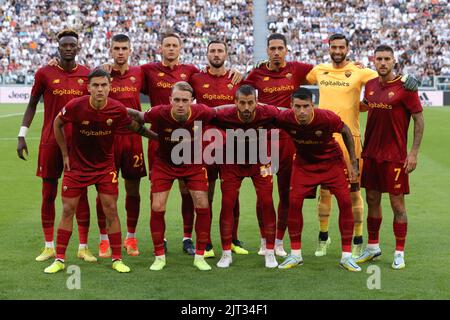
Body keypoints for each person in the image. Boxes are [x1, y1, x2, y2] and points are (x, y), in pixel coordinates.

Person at [306, 33, 421, 258]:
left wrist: (409, 76)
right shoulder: (320, 71)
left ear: (348, 49)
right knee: (327, 191)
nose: (337, 51)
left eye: (341, 47)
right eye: (334, 47)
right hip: (327, 140)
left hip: (353, 141)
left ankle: (362, 241)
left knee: (355, 191)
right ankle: (324, 237)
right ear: (328, 48)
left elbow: (390, 77)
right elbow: (300, 76)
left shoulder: (361, 72)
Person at [44, 68, 156, 274]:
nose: (99, 89)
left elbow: (135, 128)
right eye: (95, 85)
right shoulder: (75, 106)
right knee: (68, 209)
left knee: (111, 209)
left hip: (105, 167)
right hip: (77, 166)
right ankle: (59, 259)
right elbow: (57, 123)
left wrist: (158, 138)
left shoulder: (117, 109)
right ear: (88, 88)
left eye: (104, 85)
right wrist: (65, 155)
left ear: (109, 87)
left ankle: (116, 259)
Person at [140, 33, 241, 256]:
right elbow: (125, 73)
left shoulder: (191, 72)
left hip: (195, 141)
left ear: (181, 48)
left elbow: (221, 78)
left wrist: (240, 72)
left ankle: (190, 238)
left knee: (192, 191)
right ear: (160, 48)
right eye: (167, 45)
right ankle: (162, 240)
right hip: (160, 138)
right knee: (157, 194)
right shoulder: (147, 70)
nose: (171, 48)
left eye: (175, 45)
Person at [17, 29, 95, 263]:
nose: (68, 48)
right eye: (64, 45)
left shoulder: (87, 74)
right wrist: (22, 134)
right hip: (50, 141)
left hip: (78, 144)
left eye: (72, 45)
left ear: (78, 47)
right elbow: (32, 105)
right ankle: (49, 246)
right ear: (58, 47)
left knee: (81, 195)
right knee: (48, 194)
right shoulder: (44, 73)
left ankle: (83, 247)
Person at [128, 81, 215, 271]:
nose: (181, 104)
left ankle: (200, 256)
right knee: (157, 206)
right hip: (164, 164)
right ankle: (159, 256)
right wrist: (116, 108)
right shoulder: (159, 112)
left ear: (192, 101)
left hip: (193, 163)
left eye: (185, 100)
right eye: (177, 100)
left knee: (202, 204)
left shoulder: (203, 111)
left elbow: (222, 113)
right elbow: (138, 117)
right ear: (170, 100)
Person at [275, 87, 362, 272]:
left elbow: (346, 131)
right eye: (297, 107)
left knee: (346, 202)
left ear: (312, 105)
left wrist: (352, 162)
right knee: (294, 202)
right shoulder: (285, 118)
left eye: (306, 106)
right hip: (304, 164)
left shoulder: (326, 117)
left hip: (332, 162)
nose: (302, 112)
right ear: (291, 106)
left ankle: (346, 256)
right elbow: (265, 117)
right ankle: (296, 254)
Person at [244, 33, 313, 257]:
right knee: (264, 193)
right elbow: (238, 91)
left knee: (286, 192)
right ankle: (264, 241)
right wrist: (238, 74)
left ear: (286, 50)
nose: (275, 52)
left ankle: (279, 241)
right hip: (264, 141)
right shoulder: (257, 73)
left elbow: (326, 72)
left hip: (288, 142)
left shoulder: (298, 69)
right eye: (272, 48)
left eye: (279, 48)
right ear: (267, 50)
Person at [356, 45, 424, 270]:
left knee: (397, 204)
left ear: (394, 61)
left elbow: (419, 121)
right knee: (372, 200)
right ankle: (373, 247)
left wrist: (413, 153)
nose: (382, 63)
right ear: (373, 61)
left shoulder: (406, 88)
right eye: (379, 59)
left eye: (386, 59)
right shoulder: (371, 85)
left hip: (394, 157)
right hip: (371, 155)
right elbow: (365, 106)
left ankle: (399, 252)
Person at [189, 39, 248, 257]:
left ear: (226, 54)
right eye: (212, 51)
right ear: (207, 54)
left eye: (220, 51)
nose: (216, 54)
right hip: (205, 145)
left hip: (233, 144)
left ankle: (233, 239)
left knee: (233, 195)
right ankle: (205, 242)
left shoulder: (237, 80)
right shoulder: (196, 79)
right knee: (207, 195)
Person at [213, 85, 278, 268]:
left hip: (261, 161)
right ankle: (226, 253)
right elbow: (203, 115)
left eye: (251, 103)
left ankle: (269, 251)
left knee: (266, 201)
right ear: (235, 103)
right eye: (242, 103)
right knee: (227, 203)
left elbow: (287, 115)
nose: (247, 107)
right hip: (232, 162)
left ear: (257, 102)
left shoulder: (266, 112)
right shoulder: (224, 114)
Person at [95, 34, 147, 258]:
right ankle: (104, 239)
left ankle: (131, 237)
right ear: (110, 50)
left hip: (133, 138)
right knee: (105, 192)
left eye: (124, 48)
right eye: (116, 48)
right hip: (108, 139)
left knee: (133, 189)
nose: (120, 52)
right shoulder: (102, 75)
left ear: (130, 50)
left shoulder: (139, 73)